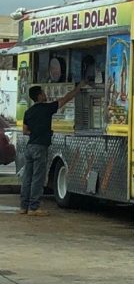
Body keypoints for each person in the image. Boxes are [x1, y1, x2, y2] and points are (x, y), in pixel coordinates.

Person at [19, 81, 85, 216]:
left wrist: (35, 132)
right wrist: (78, 88)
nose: (45, 94)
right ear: (39, 96)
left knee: (27, 178)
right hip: (40, 147)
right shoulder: (47, 108)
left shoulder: (28, 112)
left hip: (30, 147)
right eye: (43, 93)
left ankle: (23, 207)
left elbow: (25, 131)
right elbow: (65, 99)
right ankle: (34, 208)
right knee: (38, 178)